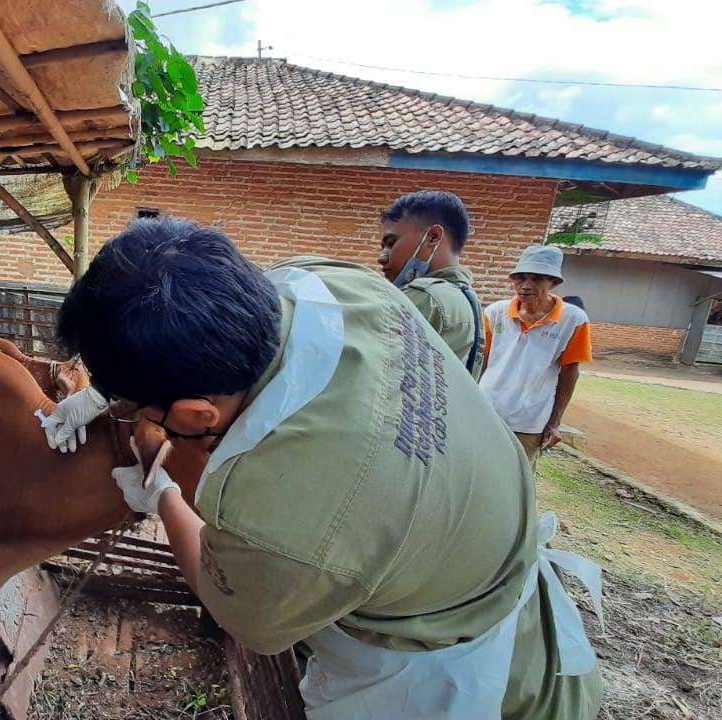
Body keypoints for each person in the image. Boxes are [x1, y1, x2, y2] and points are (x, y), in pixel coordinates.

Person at [40, 217, 603, 719]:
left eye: (138, 409)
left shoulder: (278, 520)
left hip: (448, 677)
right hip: (484, 562)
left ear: (195, 415)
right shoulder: (332, 282)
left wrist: (161, 491)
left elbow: (238, 613)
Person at [480, 245, 593, 468]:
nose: (526, 286)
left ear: (554, 283)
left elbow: (570, 372)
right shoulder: (495, 312)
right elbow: (482, 361)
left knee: (517, 481)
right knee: (476, 471)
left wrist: (555, 421)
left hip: (529, 421)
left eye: (537, 279)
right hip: (485, 412)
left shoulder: (574, 320)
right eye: (520, 278)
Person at [378, 191, 485, 378]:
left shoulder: (427, 296)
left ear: (433, 237)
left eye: (391, 243)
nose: (382, 257)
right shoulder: (467, 298)